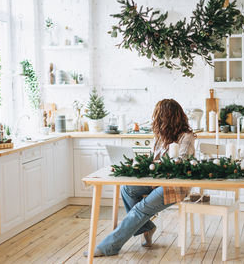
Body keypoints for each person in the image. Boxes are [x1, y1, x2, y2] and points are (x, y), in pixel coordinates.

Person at [84, 99, 195, 257]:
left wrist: (155, 166)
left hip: (174, 186)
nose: (155, 120)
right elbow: (152, 161)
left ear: (168, 117)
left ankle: (109, 246)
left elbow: (180, 162)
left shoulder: (186, 136)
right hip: (155, 181)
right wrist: (140, 164)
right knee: (127, 189)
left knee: (139, 209)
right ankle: (147, 227)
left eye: (158, 116)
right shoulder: (161, 137)